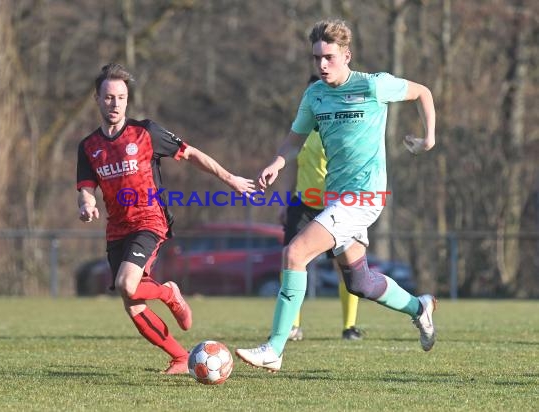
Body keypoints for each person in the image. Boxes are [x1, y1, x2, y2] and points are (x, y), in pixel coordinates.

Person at [236, 19, 436, 372]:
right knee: (360, 281)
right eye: (316, 58)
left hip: (364, 198)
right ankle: (420, 308)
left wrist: (428, 138)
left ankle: (275, 348)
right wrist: (278, 163)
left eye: (328, 57)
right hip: (336, 199)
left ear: (347, 55)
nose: (322, 65)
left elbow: (423, 92)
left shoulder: (374, 86)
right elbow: (294, 140)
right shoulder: (314, 95)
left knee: (294, 253)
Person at [76, 63, 255, 374]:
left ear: (127, 99)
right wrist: (87, 205)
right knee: (132, 303)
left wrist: (229, 178)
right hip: (116, 229)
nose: (115, 103)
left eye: (121, 97)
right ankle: (179, 357)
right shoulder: (89, 147)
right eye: (108, 97)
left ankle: (168, 292)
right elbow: (86, 188)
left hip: (149, 220)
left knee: (126, 284)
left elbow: (192, 154)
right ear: (97, 99)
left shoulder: (145, 132)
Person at [279, 74, 363, 342]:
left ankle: (349, 327)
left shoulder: (337, 127)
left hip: (335, 206)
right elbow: (292, 164)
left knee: (346, 267)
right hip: (302, 204)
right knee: (292, 261)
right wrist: (285, 200)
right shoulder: (300, 132)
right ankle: (293, 326)